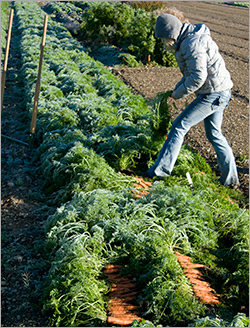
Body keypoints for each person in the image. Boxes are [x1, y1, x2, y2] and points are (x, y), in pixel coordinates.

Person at [140, 13, 239, 188]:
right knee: (214, 134)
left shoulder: (191, 44)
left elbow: (197, 78)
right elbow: (190, 74)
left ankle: (159, 172)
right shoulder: (189, 39)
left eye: (163, 39)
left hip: (214, 94)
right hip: (219, 90)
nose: (164, 44)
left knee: (179, 126)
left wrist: (178, 94)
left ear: (170, 34)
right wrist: (175, 89)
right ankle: (230, 180)